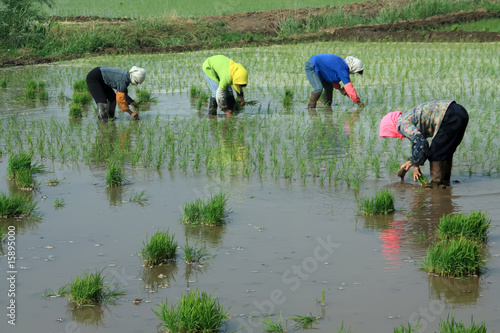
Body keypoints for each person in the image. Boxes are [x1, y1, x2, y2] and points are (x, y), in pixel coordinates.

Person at [379, 100, 469, 186]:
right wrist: (412, 163)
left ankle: (437, 186)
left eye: (388, 134)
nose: (393, 137)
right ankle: (445, 184)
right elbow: (421, 146)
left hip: (449, 115)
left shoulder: (401, 124)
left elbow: (420, 142)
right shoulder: (408, 117)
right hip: (460, 112)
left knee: (436, 153)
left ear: (390, 127)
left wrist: (415, 164)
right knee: (445, 152)